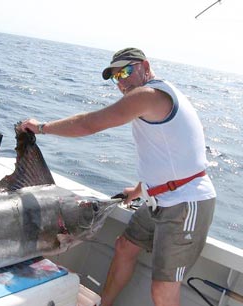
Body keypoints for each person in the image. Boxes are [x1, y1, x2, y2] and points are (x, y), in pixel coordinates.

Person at [20, 47, 216, 306]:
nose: (122, 81)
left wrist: (41, 128)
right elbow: (168, 156)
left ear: (145, 66)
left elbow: (89, 123)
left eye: (126, 71)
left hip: (186, 202)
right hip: (159, 197)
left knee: (163, 289)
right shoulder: (151, 98)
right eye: (116, 76)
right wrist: (137, 191)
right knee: (125, 246)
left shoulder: (148, 95)